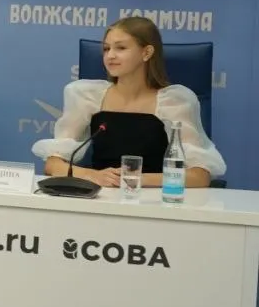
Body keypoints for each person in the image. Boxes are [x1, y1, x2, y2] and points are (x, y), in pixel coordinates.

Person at [32, 17, 225, 188]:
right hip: (100, 197)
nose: (110, 55)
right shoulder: (86, 96)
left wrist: (135, 178)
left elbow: (199, 176)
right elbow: (53, 165)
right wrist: (93, 175)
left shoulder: (175, 102)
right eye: (106, 48)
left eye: (121, 48)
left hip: (156, 199)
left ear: (147, 52)